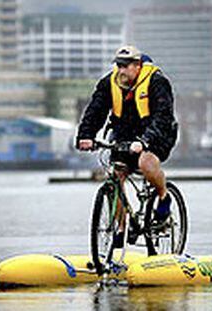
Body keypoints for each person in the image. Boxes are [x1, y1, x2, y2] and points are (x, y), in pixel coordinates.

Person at [76, 45, 178, 242]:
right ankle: (122, 229)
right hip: (124, 136)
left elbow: (163, 116)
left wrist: (145, 141)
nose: (121, 70)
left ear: (138, 66)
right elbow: (95, 111)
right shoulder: (109, 83)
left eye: (126, 66)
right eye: (118, 66)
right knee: (115, 177)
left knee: (146, 163)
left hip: (158, 134)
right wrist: (85, 135)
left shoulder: (157, 82)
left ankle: (164, 198)